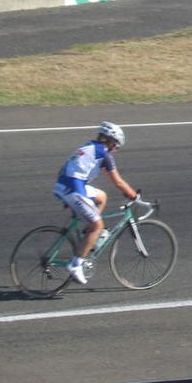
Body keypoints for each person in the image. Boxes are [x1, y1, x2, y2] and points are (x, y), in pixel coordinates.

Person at [52, 121, 140, 285]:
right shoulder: (104, 154)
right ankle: (76, 264)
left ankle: (88, 235)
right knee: (97, 225)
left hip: (64, 185)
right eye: (117, 146)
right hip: (73, 190)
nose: (115, 150)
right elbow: (118, 182)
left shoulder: (88, 146)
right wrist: (133, 195)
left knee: (101, 197)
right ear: (112, 142)